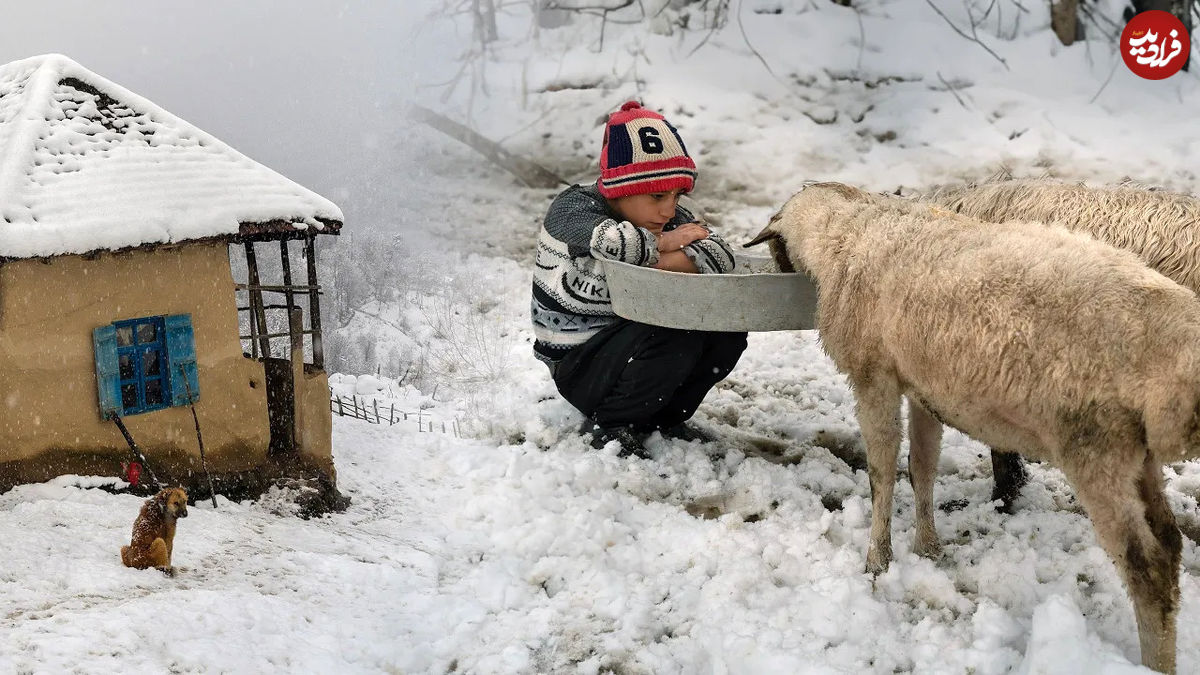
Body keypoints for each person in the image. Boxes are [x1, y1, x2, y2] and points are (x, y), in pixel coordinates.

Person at [530, 101, 747, 457]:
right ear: (620, 188)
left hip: (627, 346)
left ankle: (661, 417)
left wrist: (659, 252)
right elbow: (613, 243)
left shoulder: (663, 217)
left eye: (676, 196)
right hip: (578, 361)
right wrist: (670, 246)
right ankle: (613, 424)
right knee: (676, 331)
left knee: (725, 328)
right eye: (658, 196)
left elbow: (719, 255)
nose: (669, 209)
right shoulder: (572, 210)